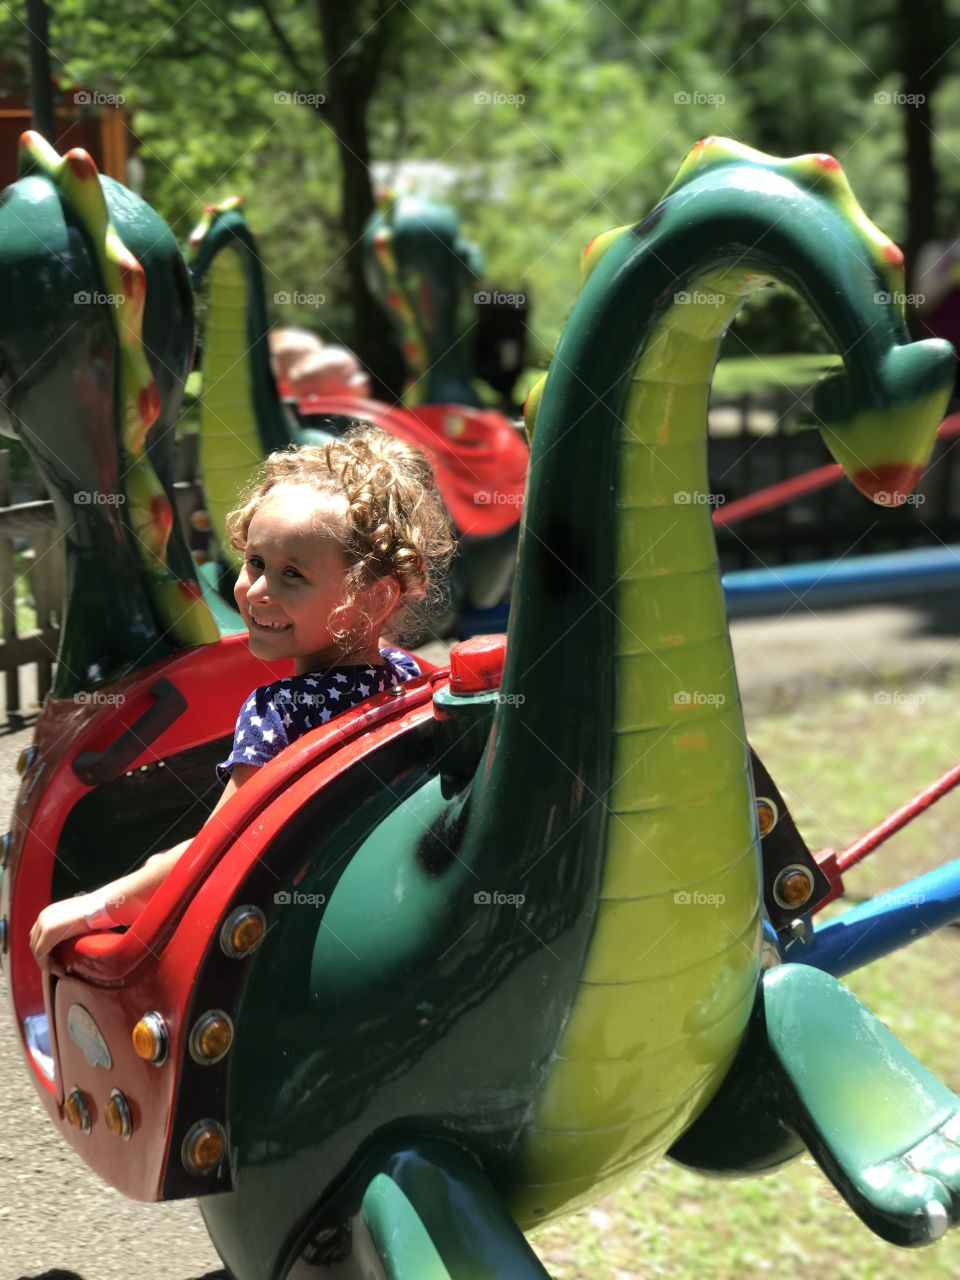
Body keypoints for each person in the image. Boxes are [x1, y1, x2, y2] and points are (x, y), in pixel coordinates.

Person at [29, 426, 454, 963]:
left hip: (275, 946)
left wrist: (94, 907)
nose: (256, 591)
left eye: (291, 574)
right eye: (255, 563)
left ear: (371, 597)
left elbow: (218, 855)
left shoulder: (278, 714)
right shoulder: (407, 680)